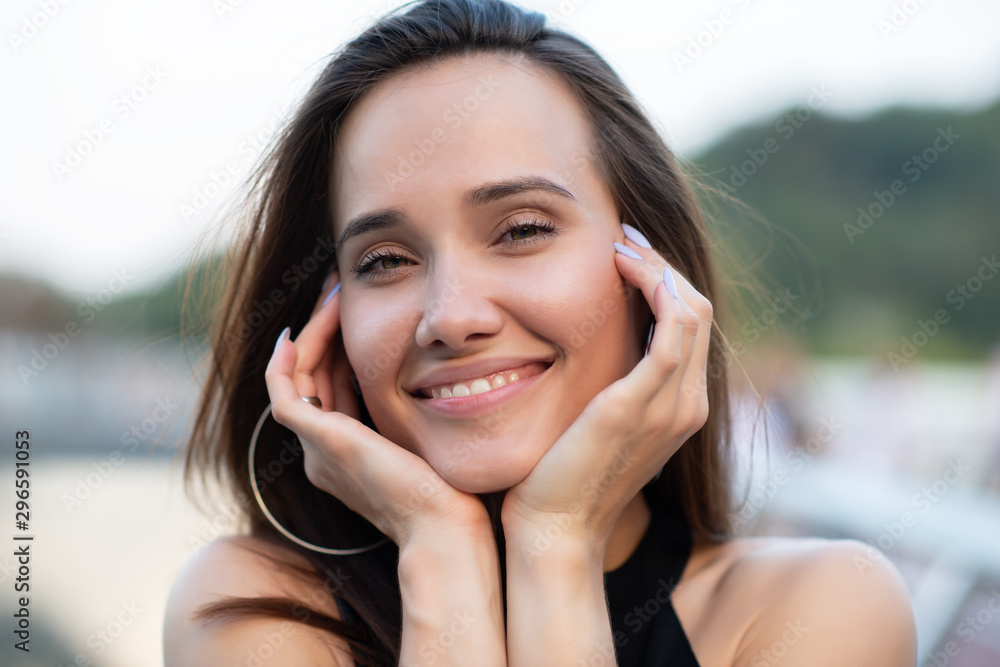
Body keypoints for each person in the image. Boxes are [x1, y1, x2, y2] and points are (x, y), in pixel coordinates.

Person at [163, 0, 917, 664]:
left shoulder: (816, 609)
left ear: (651, 273)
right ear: (327, 325)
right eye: (385, 259)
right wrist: (439, 554)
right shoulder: (249, 610)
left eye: (521, 230)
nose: (452, 314)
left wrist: (556, 540)